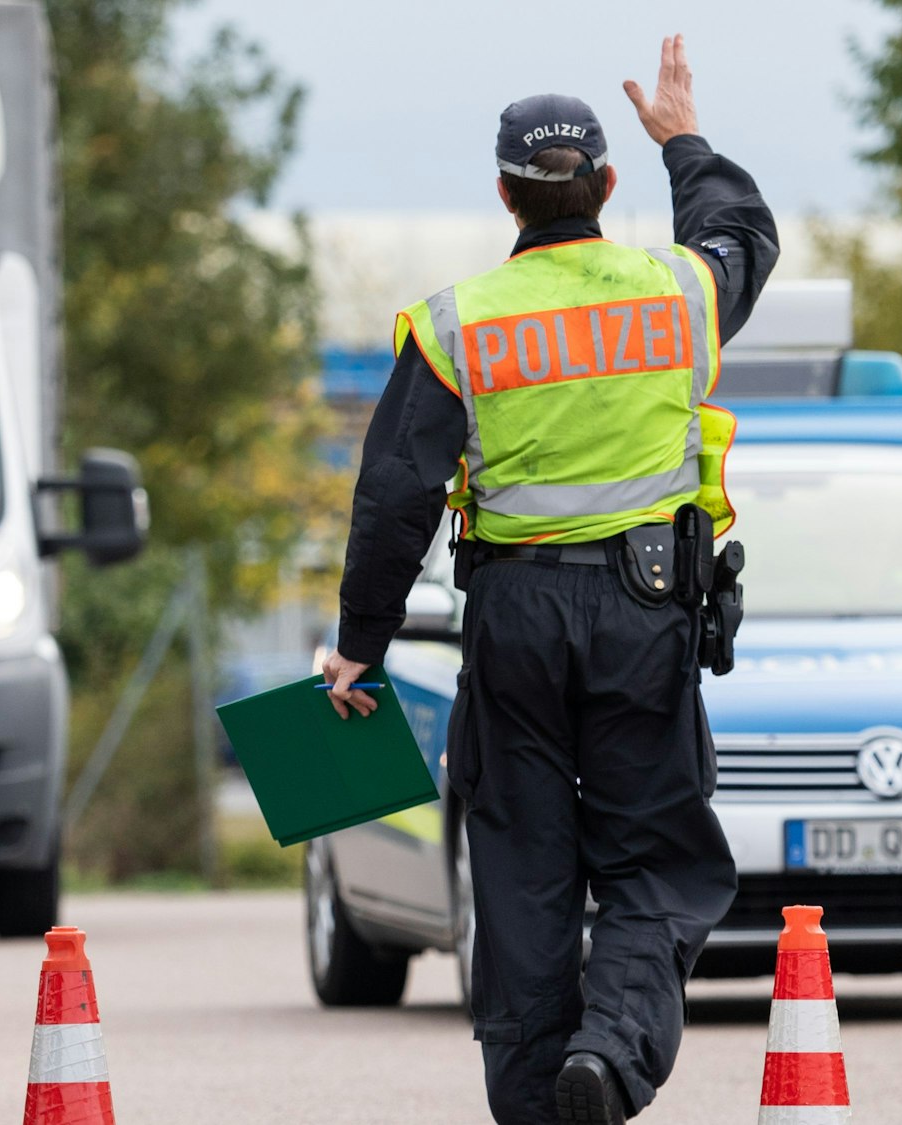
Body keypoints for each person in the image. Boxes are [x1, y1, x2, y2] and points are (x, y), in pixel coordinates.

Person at [321, 36, 778, 1125]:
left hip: (514, 624)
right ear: (605, 185)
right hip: (643, 613)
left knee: (522, 876)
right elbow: (739, 236)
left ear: (504, 196)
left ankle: (536, 1104)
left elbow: (393, 499)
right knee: (656, 868)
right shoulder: (675, 292)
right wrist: (686, 143)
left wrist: (359, 645)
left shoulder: (456, 324)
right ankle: (609, 1056)